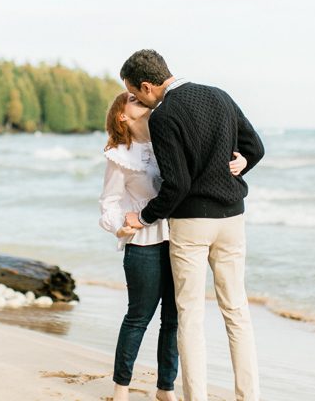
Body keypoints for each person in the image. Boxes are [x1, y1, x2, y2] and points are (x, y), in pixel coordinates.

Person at [120, 49, 265, 401]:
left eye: (135, 94)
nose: (136, 100)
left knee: (190, 315)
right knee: (236, 311)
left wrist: (142, 217)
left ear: (147, 85)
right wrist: (242, 162)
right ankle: (249, 396)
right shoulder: (220, 95)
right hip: (232, 217)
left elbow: (177, 184)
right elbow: (256, 147)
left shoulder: (164, 115)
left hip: (192, 223)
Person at [99, 90, 248, 401]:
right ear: (121, 115)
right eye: (132, 99)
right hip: (143, 243)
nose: (139, 99)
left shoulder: (166, 138)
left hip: (181, 236)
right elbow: (109, 202)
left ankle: (165, 388)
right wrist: (120, 226)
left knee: (175, 318)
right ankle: (121, 388)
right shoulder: (119, 155)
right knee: (139, 316)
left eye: (139, 95)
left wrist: (242, 159)